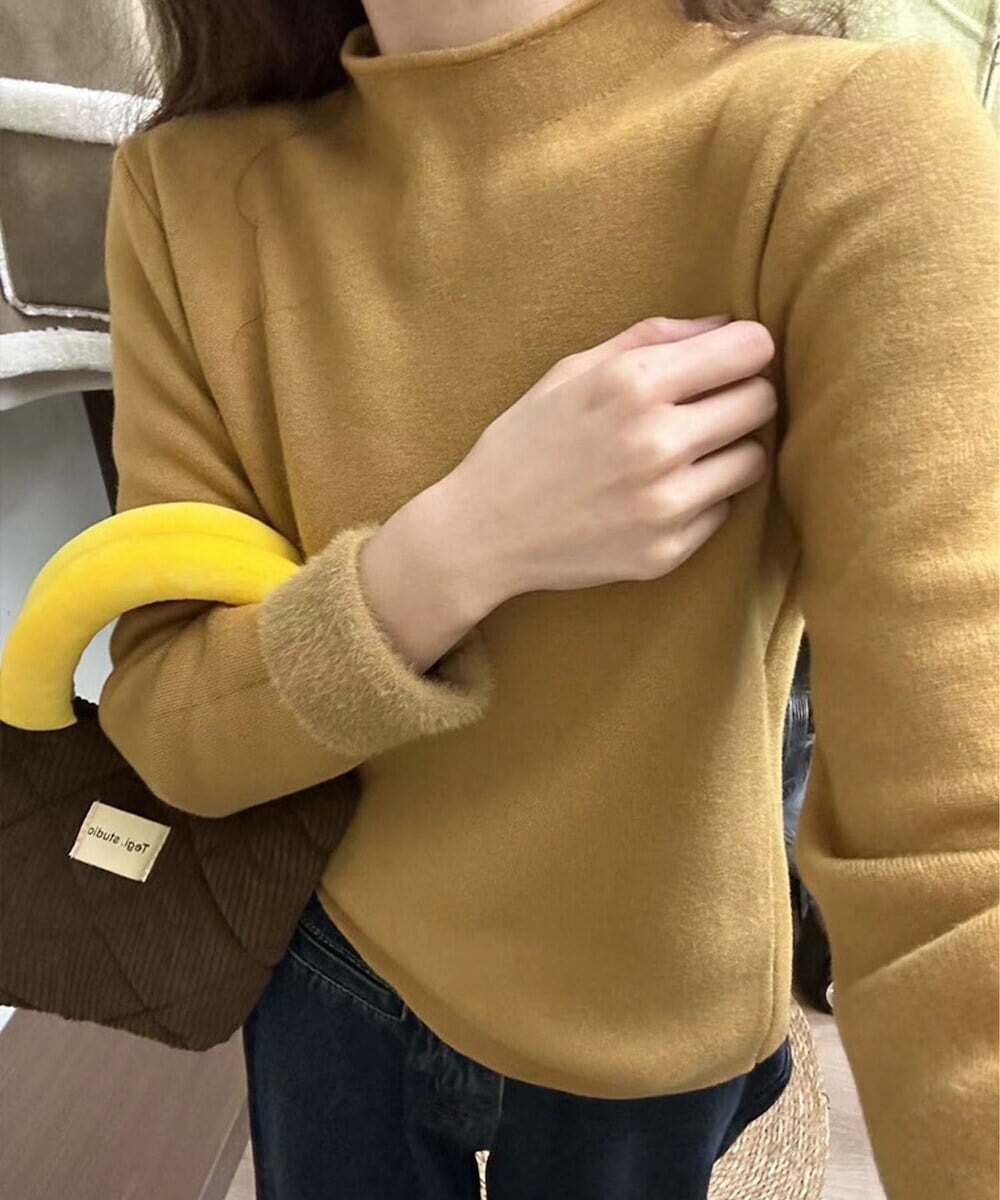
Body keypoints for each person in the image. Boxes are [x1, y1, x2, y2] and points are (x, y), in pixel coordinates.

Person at [98, 1, 999, 1197]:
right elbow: (168, 724)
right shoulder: (183, 192)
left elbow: (958, 854)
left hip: (649, 1017)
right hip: (327, 965)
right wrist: (467, 541)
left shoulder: (841, 137)